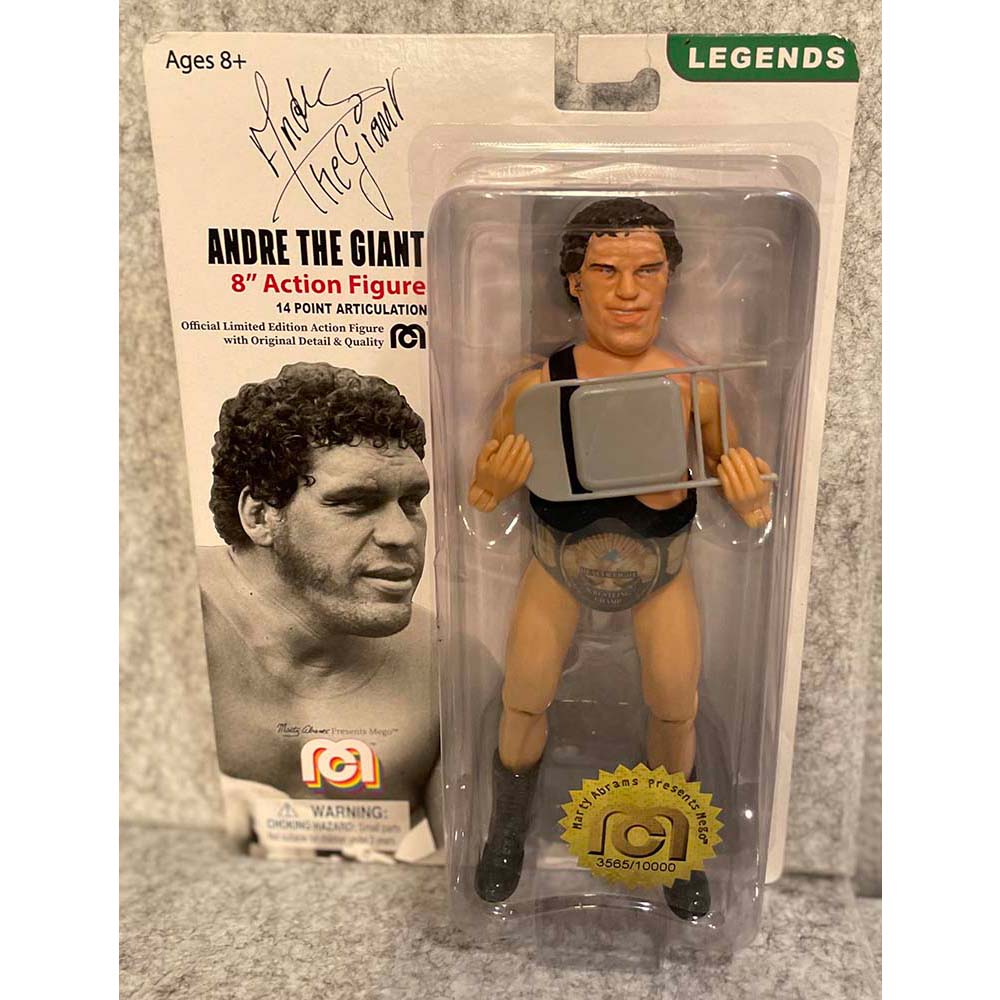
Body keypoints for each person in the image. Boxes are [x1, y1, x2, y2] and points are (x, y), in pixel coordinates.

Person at [468, 197, 772, 917]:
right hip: (557, 562)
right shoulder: (537, 388)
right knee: (524, 694)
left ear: (670, 277)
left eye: (647, 270)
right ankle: (505, 832)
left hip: (660, 568)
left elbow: (740, 485)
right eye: (606, 270)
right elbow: (482, 492)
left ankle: (672, 843)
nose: (627, 291)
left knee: (674, 704)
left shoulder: (694, 389)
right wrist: (494, 484)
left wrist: (751, 497)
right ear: (574, 281)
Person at [199, 362, 440, 855]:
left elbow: (483, 872)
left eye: (412, 502)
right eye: (355, 503)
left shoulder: (452, 666)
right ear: (260, 516)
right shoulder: (149, 613)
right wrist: (193, 804)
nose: (402, 534)